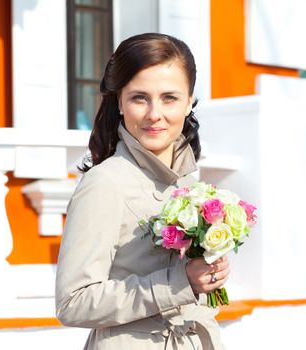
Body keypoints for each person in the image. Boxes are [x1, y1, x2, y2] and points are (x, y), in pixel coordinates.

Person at [55, 33, 229, 349]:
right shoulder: (105, 183)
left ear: (189, 101)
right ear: (119, 101)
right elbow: (73, 302)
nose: (154, 114)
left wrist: (210, 272)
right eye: (139, 98)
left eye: (169, 98)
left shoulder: (188, 182)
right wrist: (180, 282)